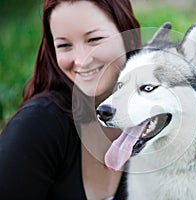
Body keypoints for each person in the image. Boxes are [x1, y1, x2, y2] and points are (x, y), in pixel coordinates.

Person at [0, 0, 141, 199]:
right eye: (65, 45)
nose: (82, 60)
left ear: (130, 37)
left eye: (94, 39)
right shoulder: (37, 125)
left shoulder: (153, 118)